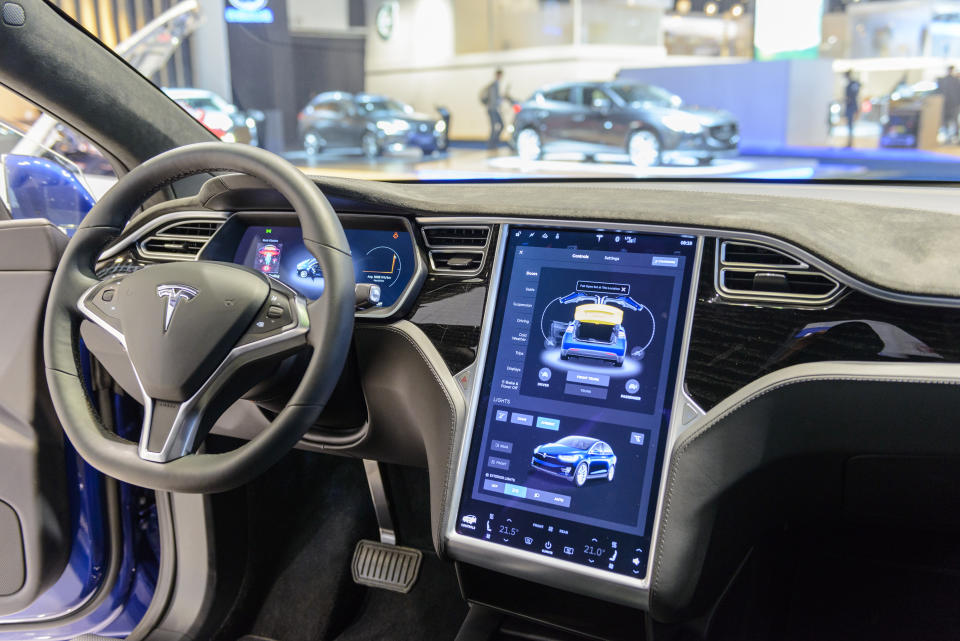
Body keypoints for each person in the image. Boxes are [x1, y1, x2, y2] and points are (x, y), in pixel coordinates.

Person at [480, 68, 505, 149]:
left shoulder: (495, 85)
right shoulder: (494, 85)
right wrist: (500, 102)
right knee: (495, 127)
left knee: (498, 126)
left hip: (493, 109)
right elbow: (494, 99)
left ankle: (493, 144)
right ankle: (491, 144)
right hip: (492, 109)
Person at [938, 66, 960, 144]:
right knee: (951, 121)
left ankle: (951, 136)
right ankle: (952, 136)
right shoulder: (955, 80)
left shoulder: (942, 80)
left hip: (949, 104)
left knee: (949, 120)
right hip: (952, 104)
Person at [843, 70, 861, 148]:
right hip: (850, 106)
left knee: (850, 124)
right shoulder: (852, 84)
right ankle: (850, 140)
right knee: (849, 124)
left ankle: (850, 141)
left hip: (851, 106)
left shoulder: (852, 84)